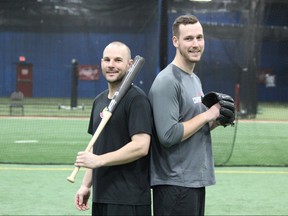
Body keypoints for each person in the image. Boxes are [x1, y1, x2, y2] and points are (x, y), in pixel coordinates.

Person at [148, 15, 221, 216]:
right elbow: (168, 135)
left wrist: (216, 119)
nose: (196, 44)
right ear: (175, 41)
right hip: (174, 184)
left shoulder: (194, 79)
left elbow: (191, 128)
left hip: (192, 181)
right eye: (189, 38)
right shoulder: (167, 81)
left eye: (200, 37)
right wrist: (207, 116)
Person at [74, 41, 153, 216]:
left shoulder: (136, 99)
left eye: (118, 60)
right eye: (107, 60)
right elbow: (97, 145)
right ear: (101, 62)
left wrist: (99, 160)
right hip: (101, 196)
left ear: (130, 64)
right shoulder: (99, 101)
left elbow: (141, 146)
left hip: (128, 200)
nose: (111, 65)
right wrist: (86, 185)